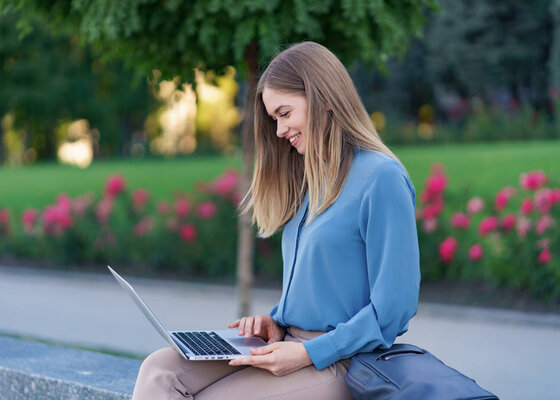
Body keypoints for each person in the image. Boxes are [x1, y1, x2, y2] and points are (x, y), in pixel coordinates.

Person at [131, 41, 420, 400]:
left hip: (342, 361)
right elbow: (320, 284)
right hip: (286, 344)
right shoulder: (311, 179)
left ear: (323, 98)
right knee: (159, 370)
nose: (280, 130)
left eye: (285, 113)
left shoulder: (381, 178)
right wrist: (276, 321)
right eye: (274, 119)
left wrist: (308, 352)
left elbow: (394, 310)